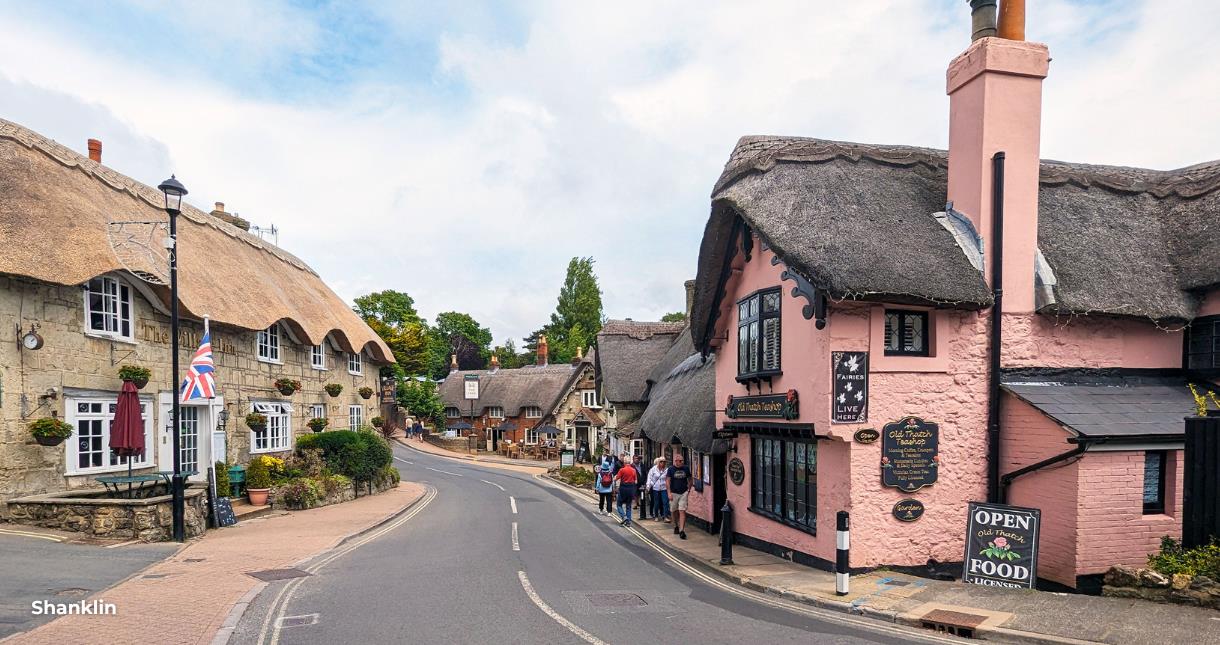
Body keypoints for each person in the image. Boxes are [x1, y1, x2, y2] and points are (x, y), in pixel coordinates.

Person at [667, 452, 692, 539]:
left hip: (683, 493)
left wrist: (689, 489)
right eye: (680, 461)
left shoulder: (686, 468)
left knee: (682, 510)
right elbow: (668, 481)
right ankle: (676, 526)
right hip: (673, 493)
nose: (682, 462)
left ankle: (682, 531)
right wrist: (669, 493)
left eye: (682, 461)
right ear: (676, 461)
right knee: (673, 511)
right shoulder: (671, 469)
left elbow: (690, 479)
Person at [613, 453, 638, 527]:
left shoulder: (622, 470)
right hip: (631, 489)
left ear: (624, 462)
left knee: (619, 504)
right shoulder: (633, 470)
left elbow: (616, 478)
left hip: (623, 488)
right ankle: (628, 522)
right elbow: (636, 481)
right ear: (630, 462)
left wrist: (614, 478)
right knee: (628, 506)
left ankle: (624, 517)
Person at [647, 457, 670, 522]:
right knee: (656, 503)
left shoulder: (667, 470)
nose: (663, 463)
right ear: (659, 462)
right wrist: (648, 486)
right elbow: (649, 477)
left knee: (665, 502)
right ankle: (656, 516)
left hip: (664, 488)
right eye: (661, 462)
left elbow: (668, 478)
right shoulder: (653, 469)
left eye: (664, 462)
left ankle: (665, 517)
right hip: (656, 488)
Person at [631, 454, 648, 519]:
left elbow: (645, 473)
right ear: (633, 459)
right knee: (635, 492)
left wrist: (645, 480)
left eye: (637, 458)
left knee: (642, 494)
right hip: (635, 482)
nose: (636, 460)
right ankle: (636, 503)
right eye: (635, 458)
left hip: (642, 481)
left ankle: (640, 503)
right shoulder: (632, 466)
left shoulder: (642, 465)